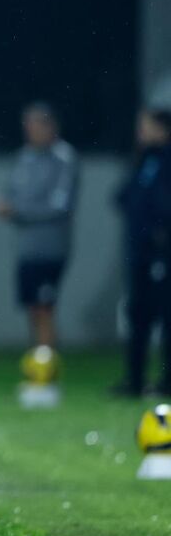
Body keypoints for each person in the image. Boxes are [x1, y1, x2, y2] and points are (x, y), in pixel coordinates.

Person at [0, 102, 79, 351]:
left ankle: (47, 369)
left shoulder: (64, 158)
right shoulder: (23, 157)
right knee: (33, 307)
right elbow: (9, 194)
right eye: (27, 126)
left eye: (35, 125)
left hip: (50, 248)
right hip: (26, 248)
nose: (30, 131)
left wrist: (18, 210)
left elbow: (60, 206)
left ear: (50, 126)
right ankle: (39, 362)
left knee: (45, 308)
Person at [113, 108, 171, 397]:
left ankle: (166, 382)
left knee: (166, 319)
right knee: (139, 318)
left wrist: (157, 235)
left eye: (146, 126)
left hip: (162, 254)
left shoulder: (166, 160)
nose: (141, 132)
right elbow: (122, 197)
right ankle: (135, 381)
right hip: (139, 254)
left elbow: (161, 206)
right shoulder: (143, 159)